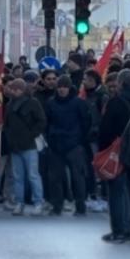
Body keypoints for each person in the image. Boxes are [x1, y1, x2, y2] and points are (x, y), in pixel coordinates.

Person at [97, 68, 130, 244]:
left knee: (117, 192)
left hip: (118, 152)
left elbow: (105, 130)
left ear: (120, 83)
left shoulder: (116, 102)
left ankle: (119, 230)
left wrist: (104, 150)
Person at [42, 76, 92, 216]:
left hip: (74, 145)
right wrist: (50, 138)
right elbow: (47, 122)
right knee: (55, 178)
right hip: (55, 145)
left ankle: (80, 206)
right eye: (59, 87)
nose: (62, 89)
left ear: (69, 88)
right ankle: (57, 206)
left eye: (64, 86)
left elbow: (86, 122)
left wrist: (80, 139)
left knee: (78, 177)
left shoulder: (79, 103)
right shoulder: (51, 103)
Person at [1, 78, 47, 216]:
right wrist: (10, 138)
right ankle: (19, 203)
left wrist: (31, 135)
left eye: (17, 89)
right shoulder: (10, 105)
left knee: (33, 175)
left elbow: (41, 121)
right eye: (13, 89)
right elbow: (7, 124)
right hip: (15, 146)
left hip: (29, 145)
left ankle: (38, 202)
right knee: (18, 177)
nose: (14, 91)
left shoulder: (33, 102)